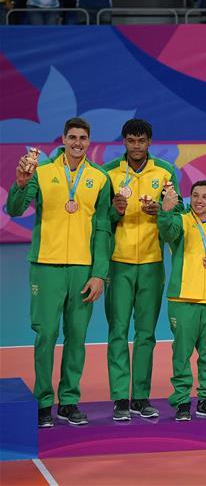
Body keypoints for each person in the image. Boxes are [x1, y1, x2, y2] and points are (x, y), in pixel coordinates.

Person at [6, 117, 111, 428]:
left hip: (82, 269)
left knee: (77, 337)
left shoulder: (100, 178)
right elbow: (14, 208)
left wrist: (99, 274)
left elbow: (103, 230)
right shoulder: (42, 171)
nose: (77, 142)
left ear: (89, 142)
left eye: (83, 138)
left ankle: (68, 401)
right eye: (72, 137)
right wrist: (21, 184)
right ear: (63, 139)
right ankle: (43, 401)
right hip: (46, 266)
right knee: (47, 335)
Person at [103, 119, 182, 422]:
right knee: (118, 333)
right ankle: (120, 398)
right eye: (131, 141)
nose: (136, 146)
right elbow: (101, 218)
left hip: (151, 263)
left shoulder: (164, 172)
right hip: (118, 263)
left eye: (141, 141)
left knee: (146, 334)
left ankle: (141, 397)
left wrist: (161, 210)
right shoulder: (108, 172)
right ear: (124, 141)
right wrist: (116, 210)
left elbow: (176, 212)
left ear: (150, 142)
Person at [158, 180, 206, 422]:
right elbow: (167, 232)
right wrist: (166, 211)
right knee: (182, 354)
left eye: (205, 196)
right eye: (195, 196)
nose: (200, 201)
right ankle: (182, 401)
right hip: (182, 298)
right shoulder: (181, 221)